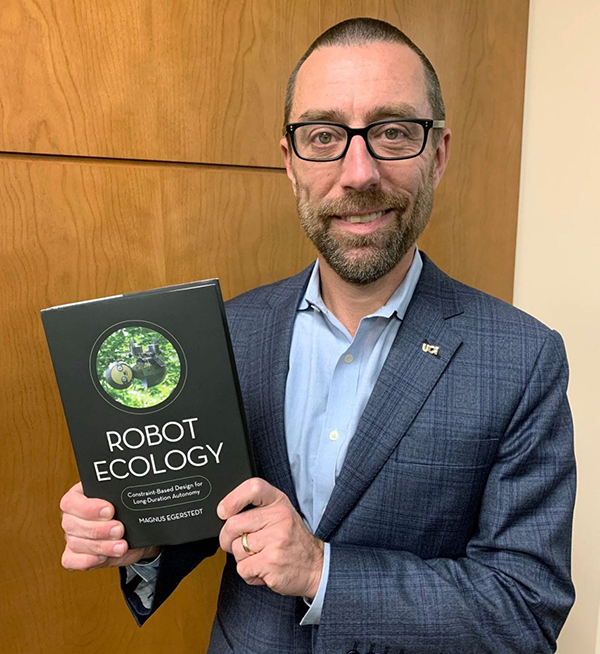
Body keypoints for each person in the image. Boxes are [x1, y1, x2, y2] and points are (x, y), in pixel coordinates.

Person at [59, 18, 575, 654]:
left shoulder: (522, 358)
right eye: (325, 136)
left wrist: (322, 573)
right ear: (291, 162)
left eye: (392, 132)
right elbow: (210, 517)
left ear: (437, 155)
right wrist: (140, 535)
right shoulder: (230, 333)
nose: (358, 174)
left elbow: (525, 608)